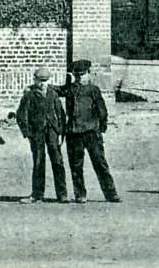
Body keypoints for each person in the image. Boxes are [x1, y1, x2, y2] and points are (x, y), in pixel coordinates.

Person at [59, 59, 120, 203]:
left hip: (91, 132)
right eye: (77, 75)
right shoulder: (69, 89)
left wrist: (101, 128)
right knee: (76, 166)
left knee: (100, 163)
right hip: (73, 133)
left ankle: (111, 193)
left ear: (88, 74)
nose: (80, 78)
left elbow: (102, 110)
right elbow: (55, 90)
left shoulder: (93, 90)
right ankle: (80, 194)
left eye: (82, 75)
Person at [13, 67, 68, 203]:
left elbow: (60, 113)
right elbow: (21, 115)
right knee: (38, 161)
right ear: (35, 79)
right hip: (37, 132)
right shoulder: (29, 95)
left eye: (46, 80)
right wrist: (27, 132)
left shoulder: (53, 93)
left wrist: (61, 132)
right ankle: (37, 194)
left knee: (58, 161)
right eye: (40, 80)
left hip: (52, 131)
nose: (43, 83)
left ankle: (62, 194)